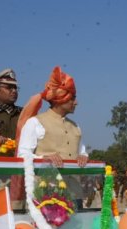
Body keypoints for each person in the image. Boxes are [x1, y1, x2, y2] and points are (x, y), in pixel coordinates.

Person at [16, 66, 90, 202]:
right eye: (73, 98)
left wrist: (83, 157)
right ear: (60, 99)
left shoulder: (75, 126)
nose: (76, 102)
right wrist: (44, 158)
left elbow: (82, 152)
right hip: (46, 195)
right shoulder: (35, 122)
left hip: (74, 194)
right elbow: (22, 155)